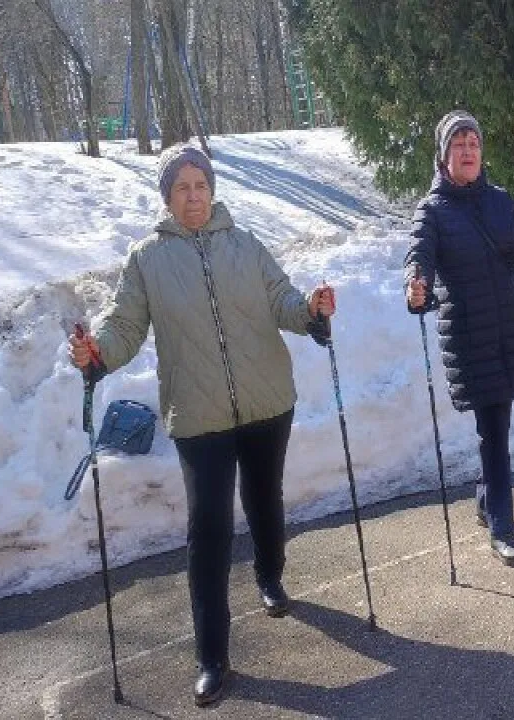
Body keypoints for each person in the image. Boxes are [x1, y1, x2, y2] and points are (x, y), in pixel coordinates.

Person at [67, 144, 334, 707]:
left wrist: (310, 309)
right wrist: (98, 354)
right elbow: (124, 327)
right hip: (198, 414)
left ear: (213, 190)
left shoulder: (246, 243)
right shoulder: (147, 259)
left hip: (266, 399)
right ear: (167, 196)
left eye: (201, 185)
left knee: (265, 500)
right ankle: (213, 656)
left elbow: (281, 298)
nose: (194, 195)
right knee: (208, 528)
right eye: (182, 187)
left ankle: (269, 574)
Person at [404, 111, 514, 568]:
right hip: (468, 335)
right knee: (495, 431)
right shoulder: (432, 211)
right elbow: (418, 255)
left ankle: (486, 500)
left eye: (473, 143)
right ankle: (503, 527)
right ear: (444, 157)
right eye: (458, 144)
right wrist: (416, 283)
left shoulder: (502, 203)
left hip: (504, 330)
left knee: (496, 428)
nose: (467, 151)